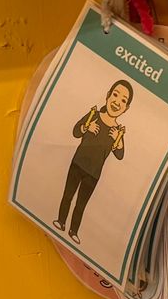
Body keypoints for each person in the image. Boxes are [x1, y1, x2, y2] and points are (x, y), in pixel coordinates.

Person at [56, 78, 132, 243]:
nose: (117, 102)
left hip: (93, 173)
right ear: (107, 96)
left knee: (81, 204)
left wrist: (117, 141)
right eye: (115, 95)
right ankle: (61, 221)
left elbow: (120, 155)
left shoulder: (117, 132)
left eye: (123, 100)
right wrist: (86, 128)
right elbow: (76, 131)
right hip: (77, 164)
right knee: (68, 194)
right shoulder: (94, 115)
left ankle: (73, 231)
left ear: (126, 108)